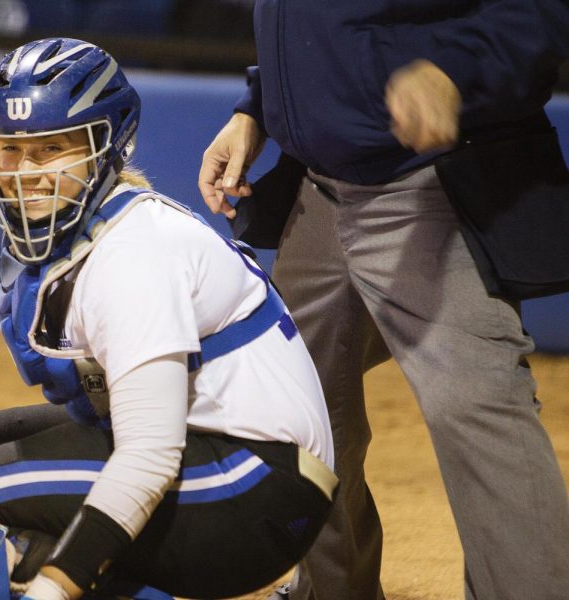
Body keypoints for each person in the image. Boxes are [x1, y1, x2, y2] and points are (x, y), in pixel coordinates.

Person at [0, 38, 338, 600]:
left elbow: (149, 455)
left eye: (51, 148)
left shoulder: (132, 251)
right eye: (11, 149)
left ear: (104, 149)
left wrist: (55, 584)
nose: (27, 171)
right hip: (205, 447)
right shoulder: (69, 239)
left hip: (259, 487)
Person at [198, 2, 569, 600]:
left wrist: (456, 70)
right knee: (300, 406)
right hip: (317, 187)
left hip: (430, 182)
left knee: (474, 408)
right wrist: (257, 108)